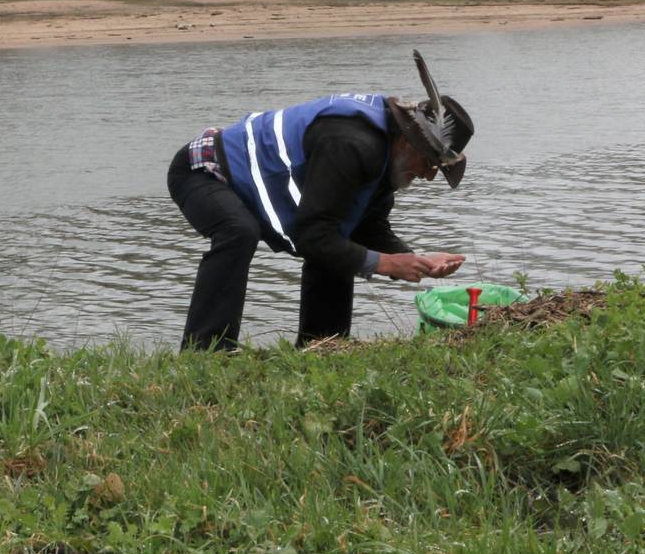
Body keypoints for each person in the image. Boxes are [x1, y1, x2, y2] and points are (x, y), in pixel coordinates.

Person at [167, 50, 474, 351]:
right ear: (410, 141)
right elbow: (312, 236)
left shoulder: (387, 154)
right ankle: (205, 352)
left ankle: (322, 349)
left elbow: (367, 228)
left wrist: (415, 261)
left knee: (342, 237)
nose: (429, 176)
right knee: (239, 231)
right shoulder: (351, 146)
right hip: (203, 169)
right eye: (430, 164)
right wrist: (387, 263)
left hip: (242, 181)